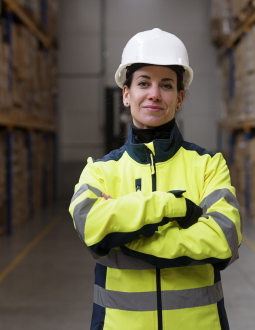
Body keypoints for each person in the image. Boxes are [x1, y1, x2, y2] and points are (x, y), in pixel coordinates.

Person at [69, 28, 242, 330]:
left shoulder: (208, 165)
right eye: (143, 83)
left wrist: (127, 236)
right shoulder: (101, 170)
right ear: (126, 94)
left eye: (166, 85)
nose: (154, 94)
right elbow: (90, 224)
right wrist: (172, 207)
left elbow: (224, 238)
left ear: (179, 98)